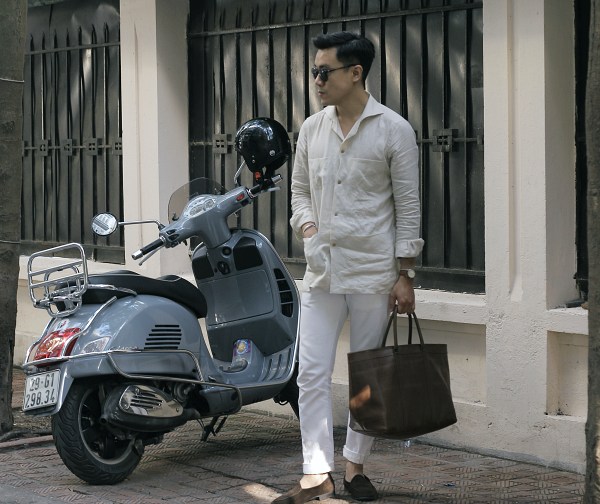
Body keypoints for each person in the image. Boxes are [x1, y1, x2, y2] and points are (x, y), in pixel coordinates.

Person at [272, 31, 424, 503]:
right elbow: (299, 192)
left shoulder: (394, 130)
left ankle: (356, 465)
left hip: (374, 274)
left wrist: (405, 274)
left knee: (367, 374)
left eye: (324, 72)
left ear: (356, 73)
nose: (317, 81)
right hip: (322, 271)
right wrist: (308, 227)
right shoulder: (311, 129)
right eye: (314, 72)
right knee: (310, 373)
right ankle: (317, 472)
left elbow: (408, 207)